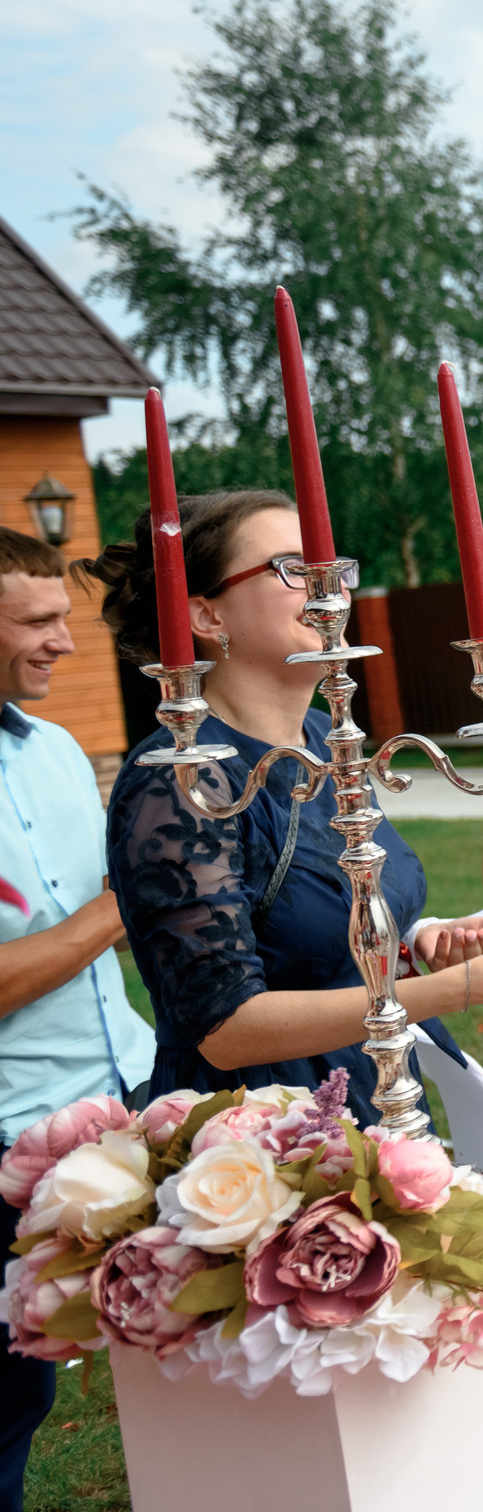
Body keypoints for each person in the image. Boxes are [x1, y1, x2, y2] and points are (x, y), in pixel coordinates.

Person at [92, 493, 483, 1115]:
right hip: (258, 1132)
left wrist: (414, 943)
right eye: (293, 569)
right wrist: (460, 987)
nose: (329, 587)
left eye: (333, 567)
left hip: (373, 1095)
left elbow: (318, 926)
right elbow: (225, 1027)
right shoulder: (182, 779)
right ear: (207, 615)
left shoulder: (327, 741)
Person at [0, 527, 152, 1512]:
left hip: (123, 1100)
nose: (64, 640)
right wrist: (121, 903)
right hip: (9, 1133)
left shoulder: (57, 747)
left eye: (64, 616)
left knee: (166, 1351)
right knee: (7, 1396)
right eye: (37, 621)